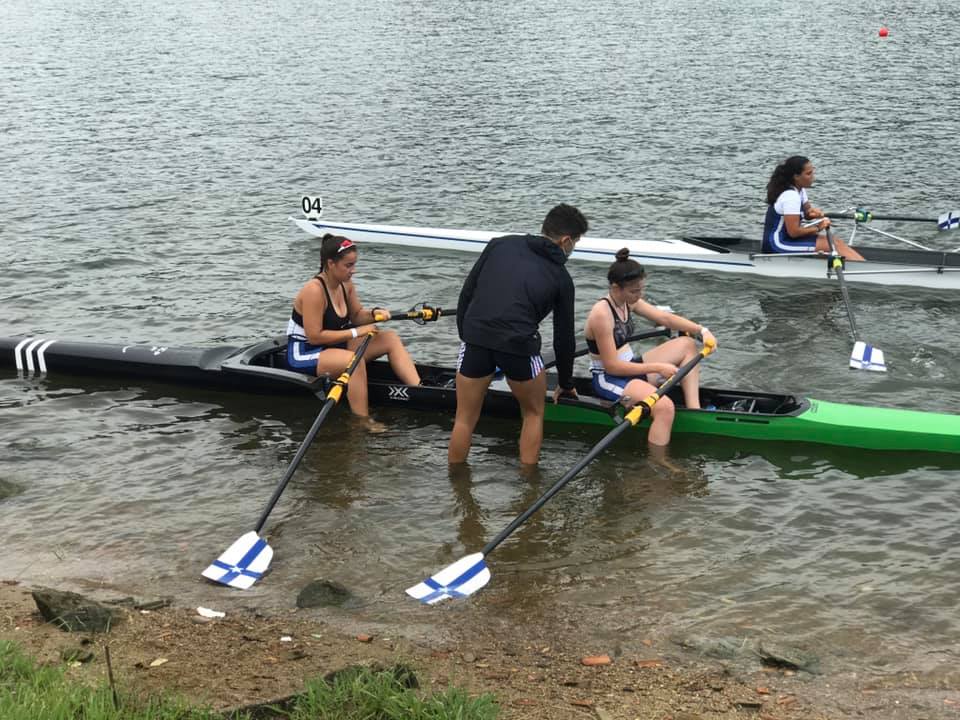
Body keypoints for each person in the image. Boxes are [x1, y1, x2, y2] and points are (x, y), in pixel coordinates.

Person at [449, 203, 589, 466]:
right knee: (534, 413)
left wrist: (467, 336)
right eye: (576, 242)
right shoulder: (561, 278)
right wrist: (567, 383)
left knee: (464, 418)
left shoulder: (499, 244)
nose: (573, 248)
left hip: (476, 339)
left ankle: (456, 483)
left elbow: (466, 295)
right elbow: (564, 338)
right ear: (566, 240)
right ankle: (529, 486)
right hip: (519, 347)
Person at [583, 248, 718, 446]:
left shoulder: (628, 301)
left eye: (641, 289)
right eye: (634, 291)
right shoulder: (601, 314)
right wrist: (658, 368)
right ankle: (656, 468)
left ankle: (694, 412)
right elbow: (612, 366)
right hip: (609, 378)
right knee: (664, 408)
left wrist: (702, 330)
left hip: (630, 367)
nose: (639, 295)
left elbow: (664, 318)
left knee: (687, 345)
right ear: (615, 287)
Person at [286, 233, 421, 418]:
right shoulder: (314, 291)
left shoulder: (346, 284)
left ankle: (420, 392)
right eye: (348, 265)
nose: (353, 270)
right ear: (331, 264)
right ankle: (362, 421)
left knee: (389, 338)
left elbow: (357, 315)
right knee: (354, 361)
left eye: (354, 264)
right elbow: (314, 336)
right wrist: (357, 332)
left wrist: (374, 314)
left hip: (333, 346)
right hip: (305, 352)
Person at [763, 156, 864, 261]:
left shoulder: (800, 190)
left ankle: (863, 265)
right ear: (796, 176)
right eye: (808, 174)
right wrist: (818, 227)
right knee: (833, 246)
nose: (813, 177)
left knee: (835, 241)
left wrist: (815, 213)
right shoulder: (791, 196)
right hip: (777, 244)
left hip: (788, 239)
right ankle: (865, 271)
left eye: (812, 172)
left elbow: (808, 213)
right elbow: (793, 232)